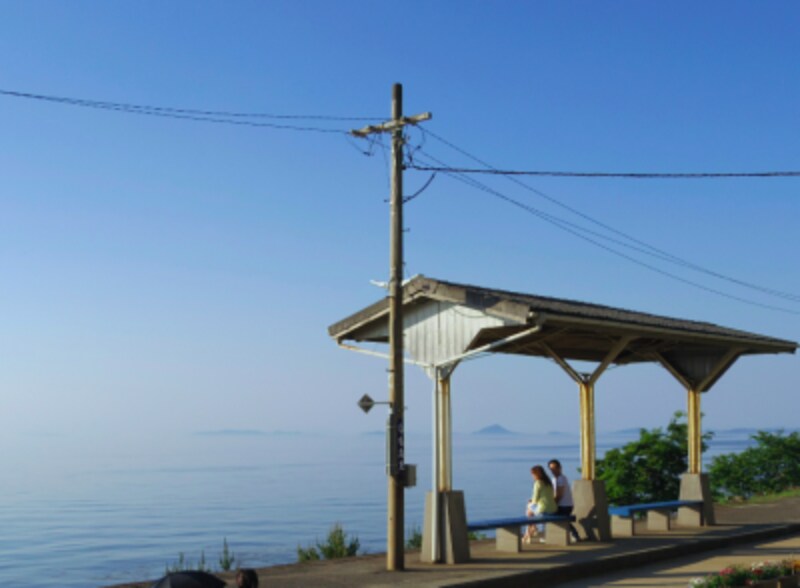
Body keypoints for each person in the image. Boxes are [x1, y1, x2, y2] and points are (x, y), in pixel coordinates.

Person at [548, 459, 581, 543]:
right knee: (563, 521)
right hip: (564, 505)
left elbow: (559, 494)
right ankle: (574, 535)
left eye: (555, 468)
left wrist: (552, 504)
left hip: (564, 506)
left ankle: (574, 535)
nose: (553, 470)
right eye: (551, 469)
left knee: (555, 518)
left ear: (560, 468)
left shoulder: (561, 479)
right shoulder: (555, 479)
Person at [523, 465, 557, 543]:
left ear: (536, 474)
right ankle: (529, 532)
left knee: (528, 509)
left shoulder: (538, 483)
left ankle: (529, 532)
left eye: (532, 474)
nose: (532, 476)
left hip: (544, 509)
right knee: (530, 511)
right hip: (553, 508)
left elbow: (535, 500)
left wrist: (530, 502)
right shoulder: (548, 482)